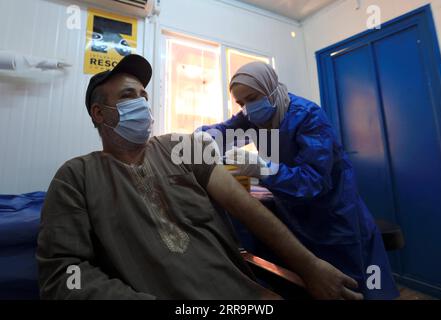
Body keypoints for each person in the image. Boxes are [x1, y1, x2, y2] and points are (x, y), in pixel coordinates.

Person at [36, 54, 363, 300]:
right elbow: (63, 275)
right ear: (99, 113)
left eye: (144, 97)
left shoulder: (181, 146)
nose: (141, 104)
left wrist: (308, 265)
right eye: (127, 96)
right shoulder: (75, 177)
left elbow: (247, 210)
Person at [199, 61, 399, 300]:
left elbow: (313, 181)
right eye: (241, 103)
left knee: (346, 285)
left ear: (270, 88)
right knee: (307, 282)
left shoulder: (308, 116)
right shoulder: (252, 117)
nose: (248, 109)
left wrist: (261, 168)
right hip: (293, 212)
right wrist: (200, 140)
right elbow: (222, 131)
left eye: (252, 98)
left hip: (332, 215)